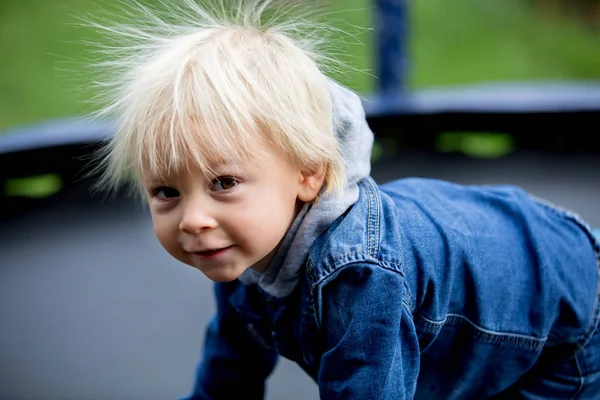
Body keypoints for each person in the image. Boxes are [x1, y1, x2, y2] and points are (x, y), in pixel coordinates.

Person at [88, 0, 600, 398]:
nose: (194, 219)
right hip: (508, 251)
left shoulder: (359, 278)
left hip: (567, 323)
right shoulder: (235, 245)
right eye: (167, 192)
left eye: (223, 183)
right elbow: (233, 359)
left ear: (309, 174)